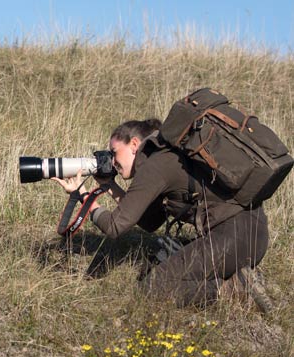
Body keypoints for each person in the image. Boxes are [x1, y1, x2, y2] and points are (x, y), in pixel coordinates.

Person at [53, 119, 270, 309]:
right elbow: (150, 222)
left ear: (134, 144)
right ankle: (234, 273)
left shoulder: (155, 166)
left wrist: (85, 197)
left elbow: (114, 227)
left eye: (114, 152)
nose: (112, 161)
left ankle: (235, 288)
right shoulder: (163, 156)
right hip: (247, 235)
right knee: (159, 260)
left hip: (233, 239)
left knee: (153, 288)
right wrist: (109, 185)